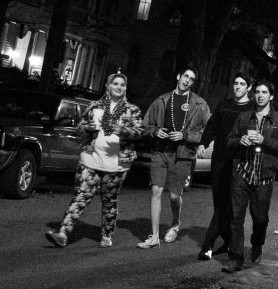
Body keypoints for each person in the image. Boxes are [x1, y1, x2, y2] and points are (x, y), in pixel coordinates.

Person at [46, 72, 144, 248]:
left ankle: (107, 234)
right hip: (91, 158)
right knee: (81, 195)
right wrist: (88, 128)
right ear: (108, 86)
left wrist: (122, 130)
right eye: (115, 84)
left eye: (122, 85)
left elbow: (139, 133)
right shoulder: (95, 106)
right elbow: (80, 128)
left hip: (117, 164)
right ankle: (63, 233)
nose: (119, 87)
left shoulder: (132, 109)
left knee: (109, 200)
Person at [222, 80, 278, 273]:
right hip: (242, 173)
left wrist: (265, 140)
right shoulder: (244, 118)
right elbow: (228, 141)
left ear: (271, 96)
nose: (260, 95)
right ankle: (235, 258)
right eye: (258, 92)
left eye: (264, 92)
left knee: (260, 219)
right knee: (236, 217)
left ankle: (257, 243)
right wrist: (239, 140)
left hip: (264, 177)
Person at [137, 66, 210, 249]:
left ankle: (175, 223)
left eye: (191, 79)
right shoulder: (162, 100)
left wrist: (185, 136)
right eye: (185, 76)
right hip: (161, 151)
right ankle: (154, 237)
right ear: (178, 76)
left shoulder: (199, 104)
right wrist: (156, 131)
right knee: (156, 191)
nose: (187, 80)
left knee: (174, 195)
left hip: (183, 154)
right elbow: (145, 125)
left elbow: (207, 131)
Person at [196, 72, 253, 261]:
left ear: (249, 88)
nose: (237, 87)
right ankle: (228, 241)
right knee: (220, 203)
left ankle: (208, 245)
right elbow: (212, 126)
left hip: (239, 161)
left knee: (228, 205)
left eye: (242, 84)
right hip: (220, 159)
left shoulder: (252, 109)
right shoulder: (224, 105)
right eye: (235, 83)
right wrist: (203, 143)